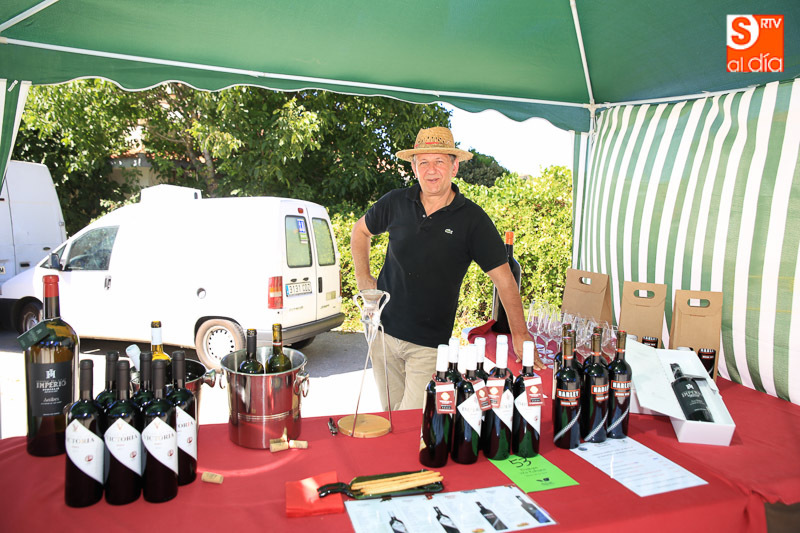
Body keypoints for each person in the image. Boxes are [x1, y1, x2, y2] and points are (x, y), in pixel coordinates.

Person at [351, 126, 544, 411]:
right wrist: (363, 279)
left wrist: (520, 333)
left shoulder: (473, 220)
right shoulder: (395, 202)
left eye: (439, 161)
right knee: (390, 418)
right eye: (424, 162)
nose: (431, 170)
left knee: (413, 421)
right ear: (414, 168)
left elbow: (505, 279)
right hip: (382, 334)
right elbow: (360, 231)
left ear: (454, 167)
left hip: (428, 346)